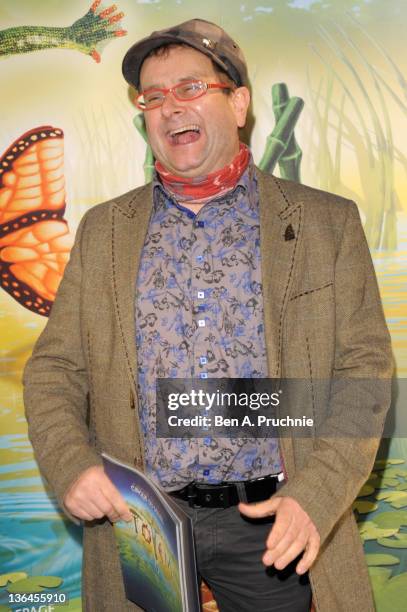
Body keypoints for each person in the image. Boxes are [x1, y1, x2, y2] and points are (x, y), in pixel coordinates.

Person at [23, 18, 392, 612]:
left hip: (275, 524)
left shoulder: (328, 223)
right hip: (141, 525)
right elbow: (53, 370)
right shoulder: (103, 232)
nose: (170, 109)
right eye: (154, 97)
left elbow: (365, 372)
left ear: (239, 102)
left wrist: (316, 497)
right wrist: (72, 465)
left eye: (191, 88)